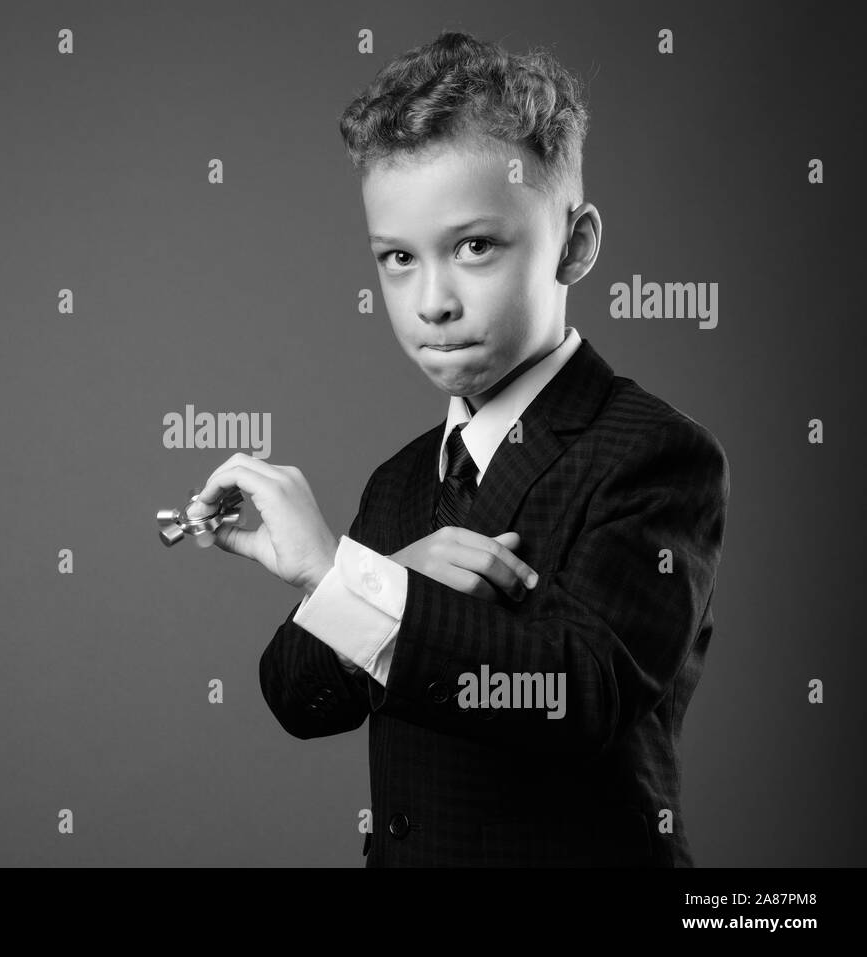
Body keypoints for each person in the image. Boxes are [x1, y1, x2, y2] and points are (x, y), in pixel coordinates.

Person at [194, 31, 729, 867]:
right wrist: (366, 579)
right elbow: (299, 700)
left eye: (474, 245)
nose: (431, 300)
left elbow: (577, 693)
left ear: (576, 244)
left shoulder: (656, 454)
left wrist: (351, 577)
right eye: (398, 258)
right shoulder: (401, 480)